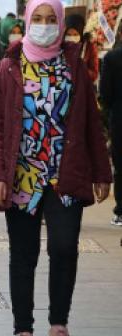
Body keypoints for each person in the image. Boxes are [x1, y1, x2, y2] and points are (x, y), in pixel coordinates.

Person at [0, 1, 112, 335]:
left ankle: (58, 322)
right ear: (26, 22)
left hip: (65, 174)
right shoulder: (7, 67)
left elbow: (90, 123)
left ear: (60, 22)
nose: (43, 25)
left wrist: (101, 171)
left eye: (50, 19)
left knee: (64, 248)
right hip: (22, 176)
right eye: (37, 19)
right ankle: (23, 326)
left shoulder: (74, 67)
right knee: (23, 254)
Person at [102, 33, 122, 227]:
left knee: (121, 166)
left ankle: (121, 210)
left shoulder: (112, 58)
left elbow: (105, 94)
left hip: (119, 118)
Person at [65, 14, 99, 82]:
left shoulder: (88, 47)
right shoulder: (60, 46)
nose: (71, 38)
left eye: (75, 34)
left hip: (81, 88)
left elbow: (94, 75)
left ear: (81, 33)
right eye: (68, 35)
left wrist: (81, 69)